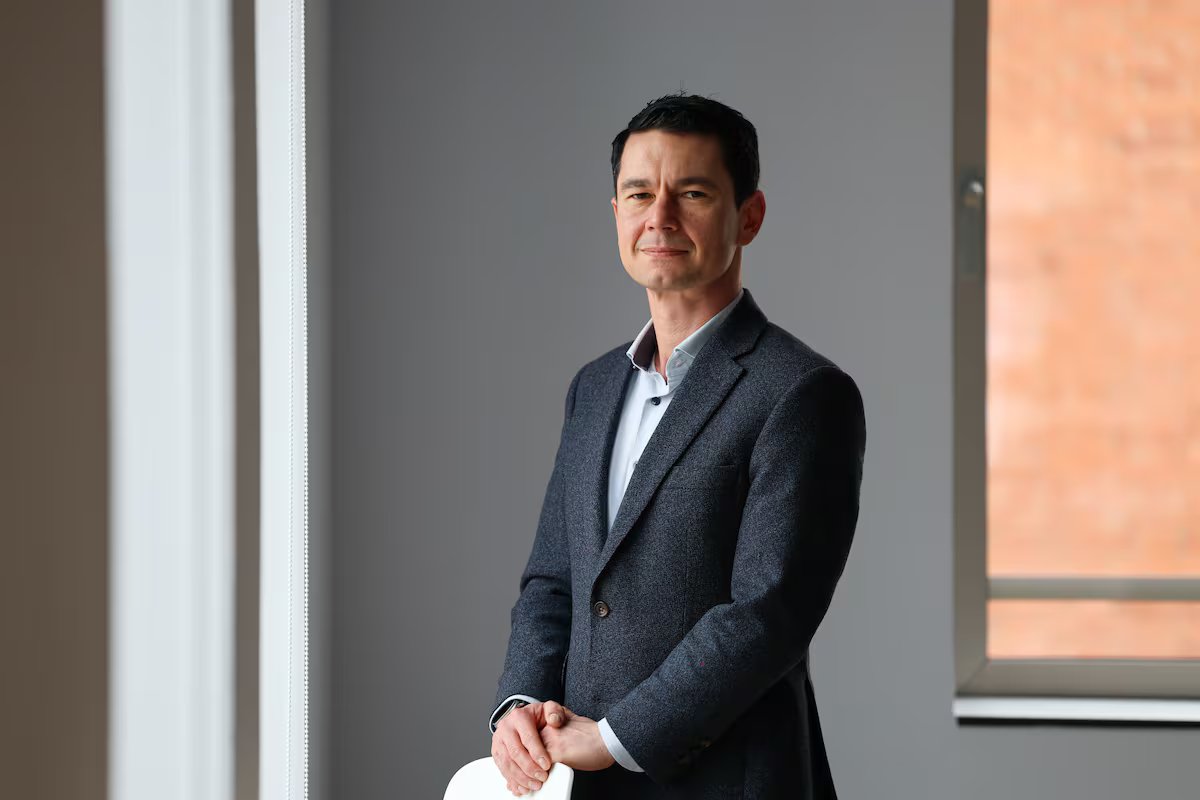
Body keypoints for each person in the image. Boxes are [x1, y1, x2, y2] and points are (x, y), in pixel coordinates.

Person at [488, 92, 866, 799]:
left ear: (749, 216)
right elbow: (554, 582)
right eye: (639, 194)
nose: (658, 217)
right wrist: (519, 704)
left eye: (691, 193)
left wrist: (615, 738)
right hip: (575, 781)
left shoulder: (803, 393)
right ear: (616, 214)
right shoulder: (594, 387)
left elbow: (769, 613)